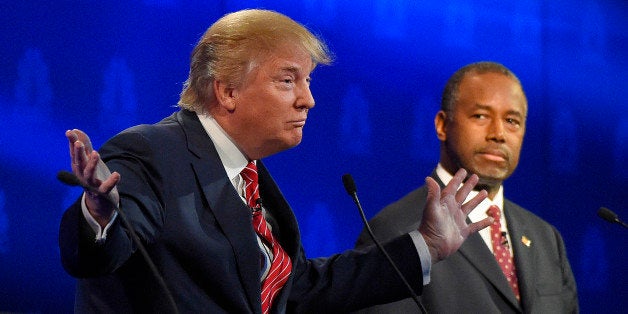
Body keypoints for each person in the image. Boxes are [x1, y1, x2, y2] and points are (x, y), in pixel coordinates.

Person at [59, 9, 492, 313]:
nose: (309, 99)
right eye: (288, 80)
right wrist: (101, 214)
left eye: (307, 81)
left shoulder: (249, 174)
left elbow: (297, 290)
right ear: (227, 90)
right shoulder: (149, 152)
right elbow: (100, 254)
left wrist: (427, 246)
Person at [354, 61, 578, 313]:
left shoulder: (546, 238)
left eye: (512, 121)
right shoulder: (395, 229)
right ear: (442, 125)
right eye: (480, 116)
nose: (498, 133)